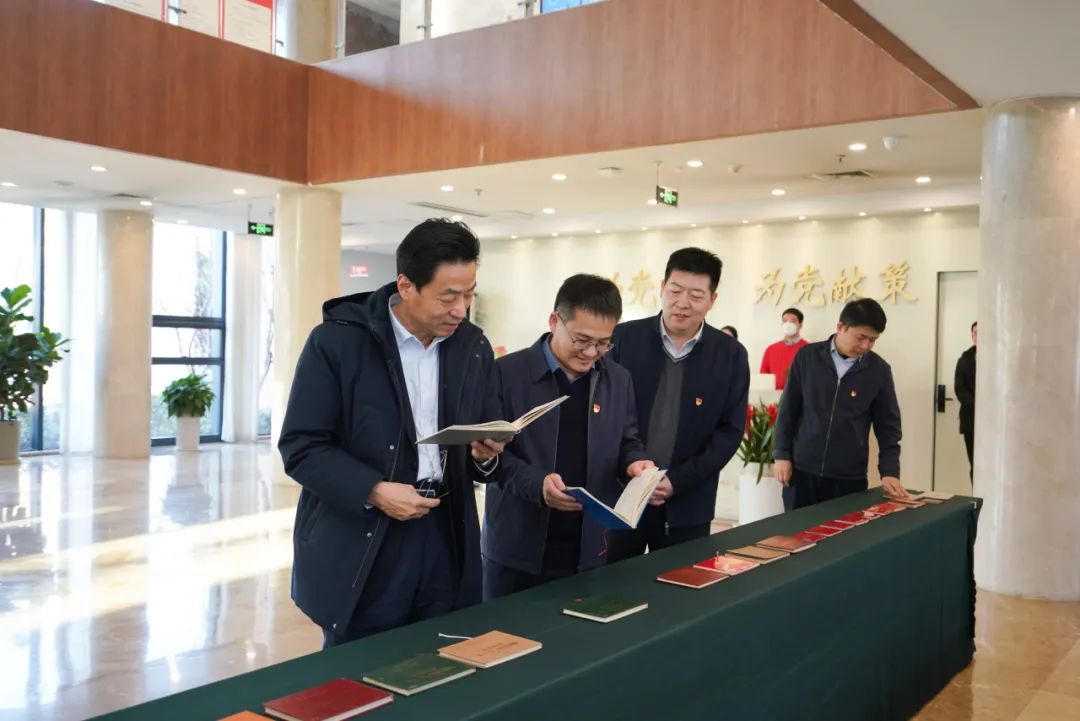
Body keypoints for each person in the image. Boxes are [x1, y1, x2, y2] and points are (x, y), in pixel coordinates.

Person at [279, 219, 506, 647]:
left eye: (469, 294)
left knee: (443, 657)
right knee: (358, 668)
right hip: (366, 536)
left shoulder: (472, 346)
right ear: (405, 285)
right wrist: (374, 490)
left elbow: (483, 436)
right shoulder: (337, 343)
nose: (461, 310)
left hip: (445, 533)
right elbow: (301, 447)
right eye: (448, 296)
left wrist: (485, 454)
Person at [481, 274, 655, 599]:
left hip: (589, 547)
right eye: (581, 340)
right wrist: (537, 484)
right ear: (554, 321)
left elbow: (628, 440)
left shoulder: (618, 379)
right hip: (517, 549)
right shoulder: (506, 373)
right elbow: (489, 457)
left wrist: (635, 463)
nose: (591, 352)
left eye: (603, 343)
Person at [605, 248, 749, 561]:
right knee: (609, 581)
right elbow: (604, 414)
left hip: (687, 505)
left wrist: (678, 481)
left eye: (696, 295)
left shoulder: (730, 355)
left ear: (712, 300)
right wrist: (629, 465)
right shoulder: (623, 339)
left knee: (678, 583)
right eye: (675, 290)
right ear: (662, 287)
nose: (682, 303)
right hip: (619, 495)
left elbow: (730, 431)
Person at [773, 298, 907, 510]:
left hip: (848, 478)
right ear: (841, 327)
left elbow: (888, 426)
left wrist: (890, 471)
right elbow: (788, 409)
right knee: (797, 530)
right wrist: (781, 454)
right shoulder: (807, 357)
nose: (866, 345)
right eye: (861, 337)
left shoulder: (879, 371)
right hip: (802, 471)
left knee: (844, 532)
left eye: (873, 340)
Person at [760, 307, 807, 389]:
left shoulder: (808, 349)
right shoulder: (771, 349)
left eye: (793, 321)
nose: (788, 324)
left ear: (800, 325)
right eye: (785, 321)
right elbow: (763, 377)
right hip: (773, 395)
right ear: (782, 324)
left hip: (799, 395)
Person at [954, 321, 977, 481]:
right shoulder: (965, 359)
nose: (979, 336)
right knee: (975, 465)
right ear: (972, 336)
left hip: (995, 422)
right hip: (971, 419)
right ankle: (977, 493)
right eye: (976, 333)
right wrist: (978, 406)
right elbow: (960, 389)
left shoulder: (999, 357)